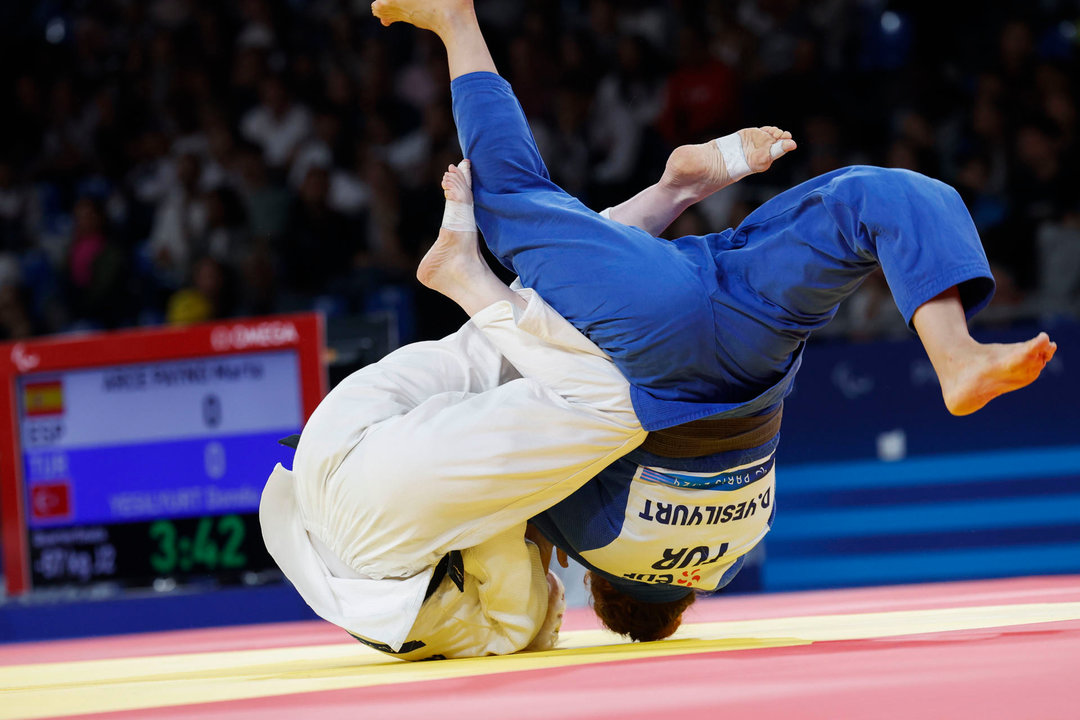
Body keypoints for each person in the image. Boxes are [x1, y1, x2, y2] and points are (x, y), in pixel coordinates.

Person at [370, 0, 1058, 641]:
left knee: (882, 195)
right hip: (659, 335)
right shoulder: (596, 542)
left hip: (760, 337)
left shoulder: (735, 555)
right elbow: (515, 484)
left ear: (687, 596)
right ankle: (457, 21)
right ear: (599, 590)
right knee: (511, 196)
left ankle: (956, 351)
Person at [260, 159, 646, 660]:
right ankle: (662, 197)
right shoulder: (502, 622)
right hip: (335, 481)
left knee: (604, 397)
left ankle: (662, 199)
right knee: (508, 349)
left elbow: (489, 524)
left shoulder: (518, 624)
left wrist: (533, 513)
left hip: (360, 500)